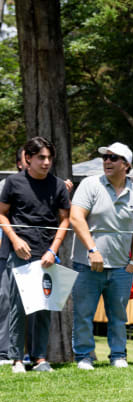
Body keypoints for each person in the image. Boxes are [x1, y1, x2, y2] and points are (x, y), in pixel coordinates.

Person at [69, 142, 133, 370]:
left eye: (113, 158)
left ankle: (118, 355)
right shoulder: (90, 184)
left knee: (118, 317)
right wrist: (93, 250)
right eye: (105, 157)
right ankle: (84, 356)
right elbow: (76, 218)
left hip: (122, 268)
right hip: (86, 265)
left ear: (126, 165)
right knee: (83, 314)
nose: (107, 161)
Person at [0, 137, 71, 373]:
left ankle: (40, 358)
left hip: (46, 255)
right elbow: (2, 214)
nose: (46, 162)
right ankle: (17, 359)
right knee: (18, 307)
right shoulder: (13, 182)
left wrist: (53, 249)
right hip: (20, 252)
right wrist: (15, 240)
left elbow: (65, 219)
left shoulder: (58, 185)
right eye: (41, 157)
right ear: (28, 158)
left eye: (49, 158)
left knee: (43, 306)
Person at [0, 147, 26, 366]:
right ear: (20, 163)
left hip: (29, 253)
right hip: (5, 251)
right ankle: (3, 353)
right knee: (5, 301)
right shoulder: (5, 185)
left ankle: (20, 353)